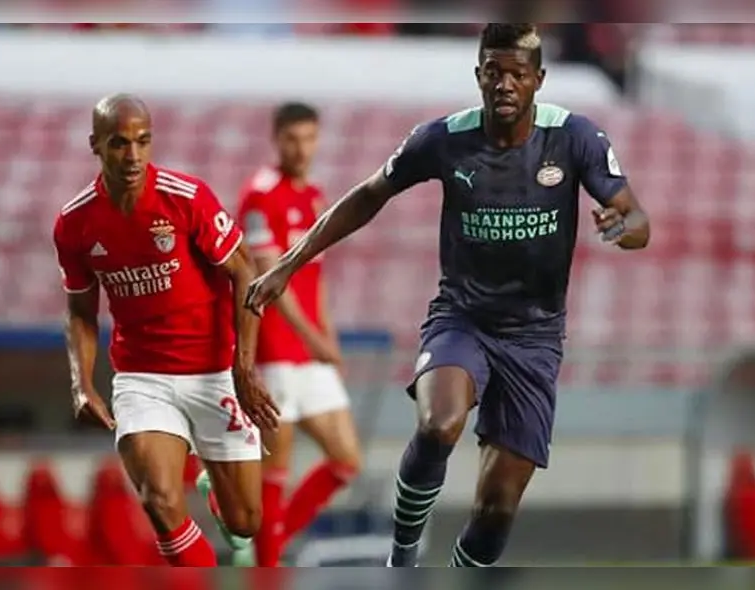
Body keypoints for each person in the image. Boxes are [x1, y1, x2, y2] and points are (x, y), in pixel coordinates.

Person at [245, 23, 651, 567]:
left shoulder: (575, 138)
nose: (504, 84)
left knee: (495, 513)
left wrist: (622, 227)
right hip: (463, 319)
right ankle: (403, 555)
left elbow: (637, 217)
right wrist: (289, 266)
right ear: (479, 75)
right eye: (494, 72)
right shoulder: (443, 138)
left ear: (538, 80)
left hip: (535, 336)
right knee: (439, 425)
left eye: (517, 74)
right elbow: (368, 195)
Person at [52, 94, 279, 567]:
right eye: (118, 143)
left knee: (245, 523)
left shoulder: (185, 198)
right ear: (95, 145)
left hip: (214, 370)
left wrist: (243, 367)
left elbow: (244, 271)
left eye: (142, 141)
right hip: (142, 378)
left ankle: (213, 483)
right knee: (158, 498)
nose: (132, 155)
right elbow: (80, 311)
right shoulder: (74, 223)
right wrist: (81, 381)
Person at [231, 102, 362, 566]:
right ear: (276, 139)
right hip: (275, 350)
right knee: (275, 470)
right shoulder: (259, 196)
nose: (301, 148)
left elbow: (316, 278)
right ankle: (266, 565)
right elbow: (271, 279)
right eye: (292, 139)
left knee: (347, 460)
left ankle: (273, 538)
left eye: (308, 138)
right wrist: (313, 339)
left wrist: (330, 337)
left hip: (309, 350)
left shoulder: (316, 197)